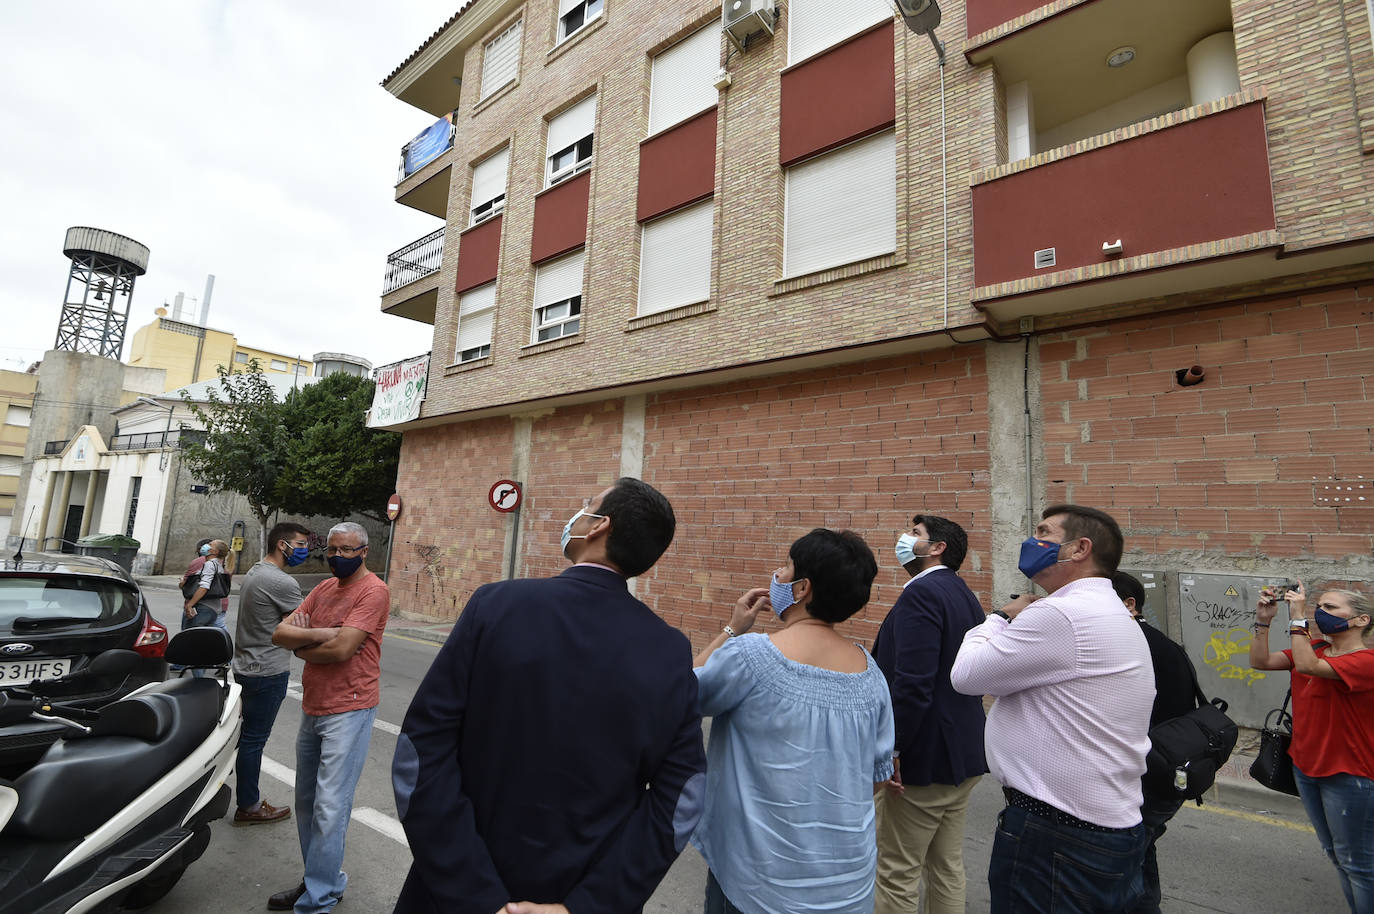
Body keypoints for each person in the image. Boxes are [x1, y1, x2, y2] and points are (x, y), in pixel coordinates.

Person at [391, 477, 704, 914]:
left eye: (587, 505)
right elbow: (682, 799)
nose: (578, 512)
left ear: (598, 527)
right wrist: (589, 905)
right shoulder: (669, 651)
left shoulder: (496, 606)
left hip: (451, 894)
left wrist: (474, 892)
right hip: (576, 887)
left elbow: (419, 752)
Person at [950, 504, 1153, 914]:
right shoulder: (1110, 611)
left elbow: (967, 676)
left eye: (1044, 532)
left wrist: (998, 618)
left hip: (1056, 830)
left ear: (1080, 548)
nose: (1032, 540)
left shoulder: (1060, 613)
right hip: (1104, 825)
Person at [691, 528, 894, 914]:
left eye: (786, 566)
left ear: (802, 589)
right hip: (846, 886)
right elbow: (877, 777)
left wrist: (732, 628)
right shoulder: (871, 674)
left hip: (757, 881)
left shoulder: (749, 656)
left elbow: (683, 693)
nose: (777, 573)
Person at [268, 522, 390, 914]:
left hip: (351, 707)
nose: (337, 557)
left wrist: (305, 642)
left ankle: (318, 900)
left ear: (364, 551)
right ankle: (321, 880)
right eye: (332, 550)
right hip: (314, 705)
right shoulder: (322, 589)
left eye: (347, 550)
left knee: (330, 806)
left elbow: (344, 650)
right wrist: (322, 634)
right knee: (307, 801)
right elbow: (279, 634)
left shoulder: (374, 591)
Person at [871, 515, 988, 914]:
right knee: (945, 865)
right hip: (962, 754)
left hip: (925, 761)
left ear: (937, 547)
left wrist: (893, 748)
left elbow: (913, 684)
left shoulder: (921, 595)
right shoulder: (961, 592)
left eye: (916, 534)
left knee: (896, 871)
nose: (905, 539)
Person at [1250, 582, 1374, 914]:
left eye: (1331, 607)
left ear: (1361, 620)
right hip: (1305, 768)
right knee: (1336, 855)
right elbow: (1260, 661)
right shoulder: (1315, 646)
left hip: (1349, 776)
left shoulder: (1366, 660)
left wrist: (1297, 617)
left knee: (1358, 863)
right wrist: (1264, 620)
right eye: (1319, 605)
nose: (1321, 612)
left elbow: (1306, 667)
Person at [1111, 571, 1197, 914]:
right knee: (1140, 854)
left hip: (1148, 775)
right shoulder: (1157, 641)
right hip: (1165, 772)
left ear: (1129, 604)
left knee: (1123, 868)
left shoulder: (1131, 644)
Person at [230, 521, 312, 826]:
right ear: (282, 545)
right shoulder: (282, 582)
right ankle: (249, 806)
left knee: (243, 738)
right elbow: (303, 624)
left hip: (246, 667)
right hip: (267, 670)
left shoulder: (255, 572)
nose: (305, 551)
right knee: (253, 741)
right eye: (301, 545)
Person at [182, 538, 232, 631]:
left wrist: (190, 604)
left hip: (203, 607)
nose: (206, 546)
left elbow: (204, 586)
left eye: (210, 544)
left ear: (215, 551)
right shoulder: (218, 564)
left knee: (190, 638)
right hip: (212, 608)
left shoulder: (210, 564)